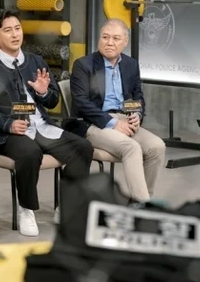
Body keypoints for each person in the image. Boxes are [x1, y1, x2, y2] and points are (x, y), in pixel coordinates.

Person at [0, 8, 93, 237]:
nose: (15, 34)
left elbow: (53, 100)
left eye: (18, 28)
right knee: (30, 152)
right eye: (8, 30)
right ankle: (26, 209)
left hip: (42, 127)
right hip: (8, 134)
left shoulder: (36, 61)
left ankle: (66, 206)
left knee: (83, 147)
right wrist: (9, 124)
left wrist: (43, 92)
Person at [69, 18, 166, 203]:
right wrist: (112, 123)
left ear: (125, 41)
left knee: (157, 146)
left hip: (124, 120)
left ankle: (141, 202)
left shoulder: (131, 64)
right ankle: (142, 208)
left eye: (115, 38)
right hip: (93, 123)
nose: (109, 42)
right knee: (131, 147)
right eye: (105, 37)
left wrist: (137, 115)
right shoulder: (83, 65)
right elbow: (81, 103)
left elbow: (138, 96)